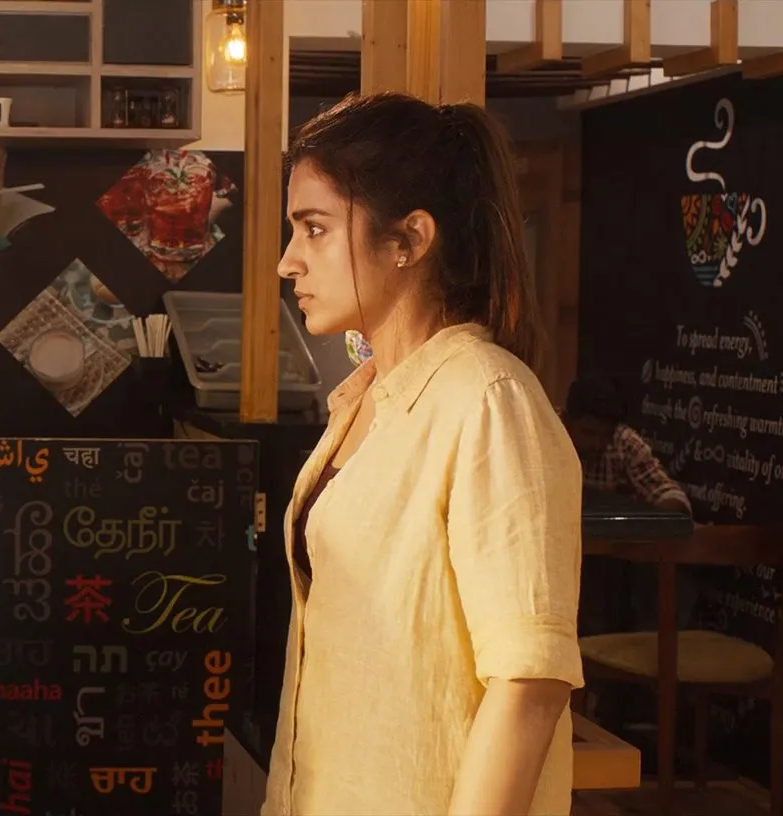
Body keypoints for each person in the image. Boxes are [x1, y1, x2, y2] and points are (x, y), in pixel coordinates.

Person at [263, 92, 583, 816]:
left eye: (315, 229)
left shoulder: (487, 399)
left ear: (408, 238)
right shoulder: (363, 400)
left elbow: (529, 682)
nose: (288, 261)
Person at [563, 376, 691, 513]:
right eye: (588, 433)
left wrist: (665, 515)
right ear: (566, 421)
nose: (597, 444)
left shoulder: (624, 443)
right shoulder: (547, 436)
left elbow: (667, 492)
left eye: (606, 435)